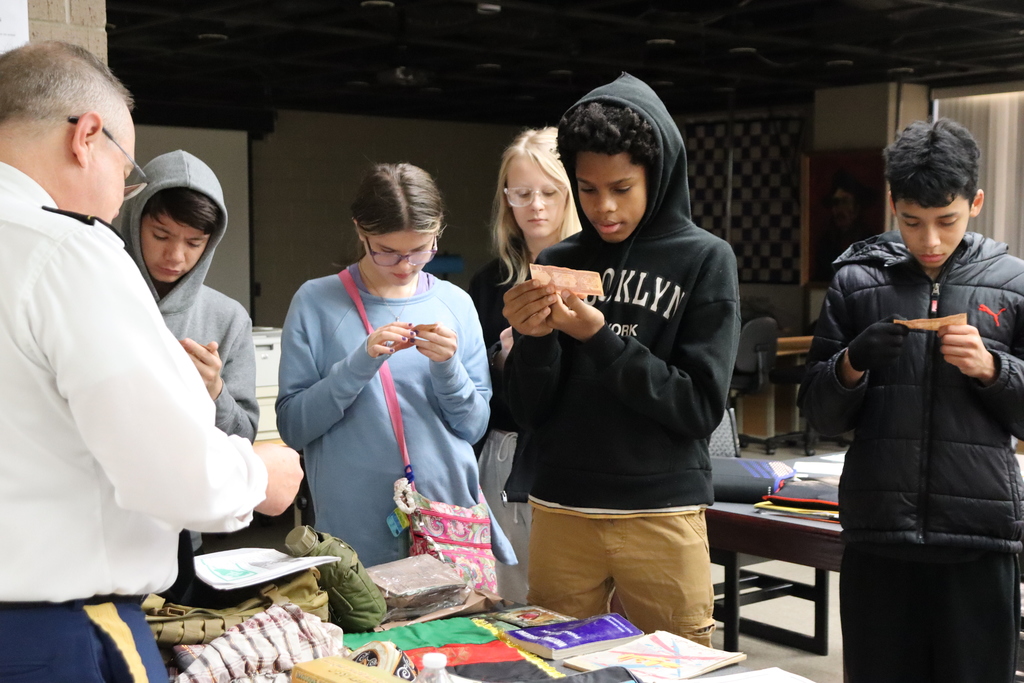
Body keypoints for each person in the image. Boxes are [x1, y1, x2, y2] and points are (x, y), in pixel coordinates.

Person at [0, 41, 302, 682]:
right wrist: (258, 474)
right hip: (54, 630)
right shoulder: (67, 249)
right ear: (86, 137)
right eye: (125, 168)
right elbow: (169, 471)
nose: (119, 196)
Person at [501, 73, 740, 644]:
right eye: (586, 189)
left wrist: (600, 337)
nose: (604, 207)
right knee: (558, 665)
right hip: (562, 506)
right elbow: (528, 413)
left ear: (657, 176)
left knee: (676, 666)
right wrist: (532, 339)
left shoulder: (705, 259)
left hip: (661, 510)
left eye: (622, 187)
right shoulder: (558, 258)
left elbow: (698, 407)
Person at [799, 118, 1024, 683]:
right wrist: (851, 362)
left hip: (978, 538)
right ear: (893, 204)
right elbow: (820, 413)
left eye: (946, 221)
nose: (928, 241)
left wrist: (994, 369)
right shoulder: (856, 282)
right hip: (880, 537)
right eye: (912, 222)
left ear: (975, 203)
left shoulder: (1014, 284)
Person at [276, 162, 515, 569]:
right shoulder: (315, 302)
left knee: (453, 634)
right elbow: (294, 427)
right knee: (368, 633)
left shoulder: (456, 303)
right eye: (387, 251)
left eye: (422, 249)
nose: (405, 265)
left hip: (448, 522)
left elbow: (473, 427)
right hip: (354, 533)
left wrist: (447, 367)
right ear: (360, 231)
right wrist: (359, 363)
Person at [120, 150, 260, 603]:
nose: (175, 255)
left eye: (193, 242)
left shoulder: (226, 318)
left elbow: (246, 436)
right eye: (160, 234)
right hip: (93, 521)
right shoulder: (100, 293)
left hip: (179, 531)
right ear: (133, 218)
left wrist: (214, 391)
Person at [468, 127, 581, 602]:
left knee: (575, 603)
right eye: (522, 193)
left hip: (579, 455)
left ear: (570, 195)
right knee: (512, 599)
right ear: (506, 199)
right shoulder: (489, 282)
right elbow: (472, 385)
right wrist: (502, 357)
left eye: (549, 192)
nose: (536, 205)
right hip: (506, 455)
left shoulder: (597, 275)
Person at [811, 168, 879, 282]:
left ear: (856, 207)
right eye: (836, 203)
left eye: (845, 201)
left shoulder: (870, 242)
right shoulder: (826, 244)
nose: (839, 209)